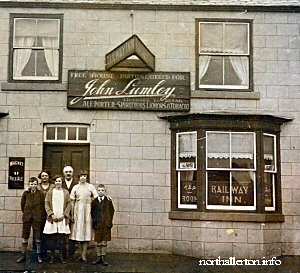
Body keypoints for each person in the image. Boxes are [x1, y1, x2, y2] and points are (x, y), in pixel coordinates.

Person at [69, 170, 98, 263]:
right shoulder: (76, 187)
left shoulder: (90, 187)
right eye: (81, 176)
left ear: (86, 177)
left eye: (85, 176)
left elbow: (97, 198)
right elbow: (72, 201)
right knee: (78, 233)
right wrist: (73, 214)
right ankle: (80, 254)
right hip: (78, 211)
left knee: (86, 233)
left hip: (87, 211)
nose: (83, 178)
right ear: (79, 177)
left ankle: (84, 254)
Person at [16, 177, 45, 263]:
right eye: (31, 184)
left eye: (35, 184)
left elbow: (42, 205)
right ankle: (23, 255)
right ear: (29, 184)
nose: (33, 186)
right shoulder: (26, 193)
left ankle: (39, 256)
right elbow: (23, 205)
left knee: (37, 237)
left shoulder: (40, 194)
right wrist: (26, 212)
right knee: (25, 236)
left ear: (37, 185)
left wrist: (39, 214)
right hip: (27, 217)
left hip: (37, 218)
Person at [43, 175, 72, 264]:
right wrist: (51, 214)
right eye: (56, 181)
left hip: (62, 218)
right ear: (54, 183)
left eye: (59, 181)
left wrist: (64, 215)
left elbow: (69, 204)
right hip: (53, 218)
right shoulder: (50, 192)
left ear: (62, 182)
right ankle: (52, 256)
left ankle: (61, 256)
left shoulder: (66, 192)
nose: (58, 183)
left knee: (62, 239)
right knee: (52, 239)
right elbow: (47, 203)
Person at [91, 184, 114, 266]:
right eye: (99, 190)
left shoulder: (108, 201)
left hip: (106, 224)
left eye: (102, 190)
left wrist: (109, 221)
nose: (101, 192)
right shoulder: (94, 201)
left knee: (104, 241)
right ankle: (98, 257)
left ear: (105, 191)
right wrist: (95, 222)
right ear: (97, 191)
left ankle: (103, 257)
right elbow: (92, 213)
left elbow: (112, 211)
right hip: (98, 224)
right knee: (98, 242)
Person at [37, 170, 54, 259]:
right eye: (43, 176)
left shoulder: (52, 186)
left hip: (49, 212)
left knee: (49, 232)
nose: (44, 177)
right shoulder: (37, 186)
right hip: (39, 212)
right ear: (40, 177)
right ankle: (40, 253)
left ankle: (49, 252)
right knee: (39, 232)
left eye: (46, 175)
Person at [62, 165, 77, 258]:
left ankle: (71, 252)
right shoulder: (60, 182)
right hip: (63, 210)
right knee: (63, 232)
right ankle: (62, 252)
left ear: (72, 173)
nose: (68, 173)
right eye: (66, 172)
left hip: (74, 210)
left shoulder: (76, 184)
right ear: (63, 173)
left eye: (70, 172)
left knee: (73, 231)